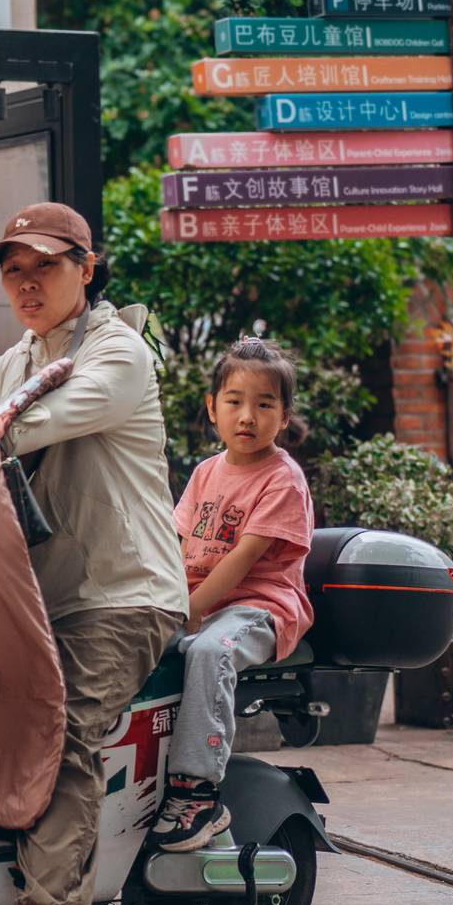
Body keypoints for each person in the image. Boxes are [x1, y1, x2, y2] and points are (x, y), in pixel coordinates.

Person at [0, 202, 188, 905]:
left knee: (64, 725)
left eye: (44, 266)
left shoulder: (119, 353)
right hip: (41, 594)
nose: (26, 283)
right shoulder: (18, 359)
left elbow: (21, 428)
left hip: (124, 594)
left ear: (87, 268)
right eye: (13, 271)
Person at [151, 337, 315, 852]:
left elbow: (243, 559)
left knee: (207, 650)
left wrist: (190, 611)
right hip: (199, 602)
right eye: (235, 401)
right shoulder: (206, 471)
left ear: (284, 416)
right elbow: (176, 548)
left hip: (258, 607)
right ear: (212, 409)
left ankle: (197, 793)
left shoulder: (283, 479)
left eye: (264, 404)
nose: (248, 416)